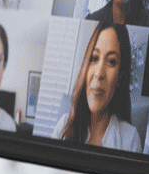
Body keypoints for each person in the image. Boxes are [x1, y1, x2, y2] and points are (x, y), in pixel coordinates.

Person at [54, 22, 142, 152]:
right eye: (94, 58)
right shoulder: (64, 125)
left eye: (112, 61)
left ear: (120, 76)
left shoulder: (130, 139)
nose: (99, 73)